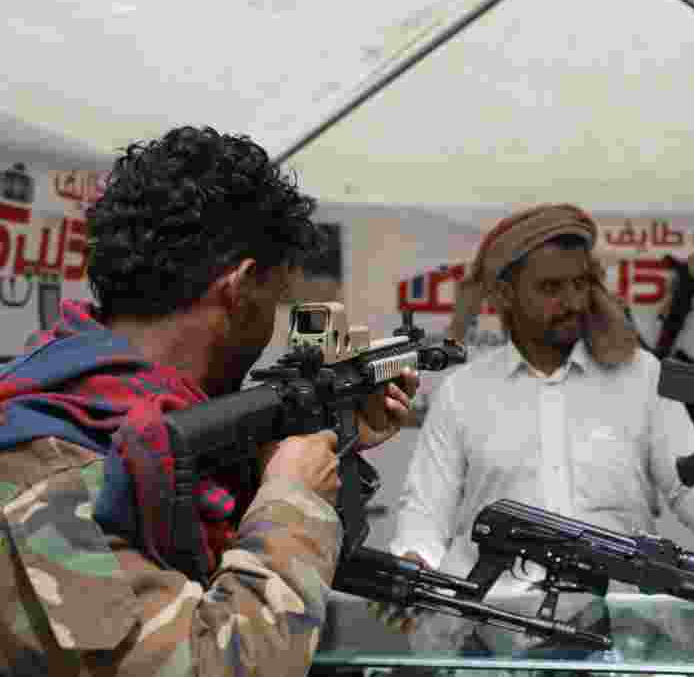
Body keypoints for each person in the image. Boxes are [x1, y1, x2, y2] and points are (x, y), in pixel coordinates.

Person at [0, 126, 419, 676]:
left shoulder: (129, 423)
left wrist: (335, 444)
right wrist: (293, 501)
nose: (273, 321)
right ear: (241, 286)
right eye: (275, 297)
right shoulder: (46, 470)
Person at [375, 204, 694, 656]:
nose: (573, 301)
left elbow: (690, 488)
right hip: (492, 641)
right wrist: (413, 563)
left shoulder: (641, 376)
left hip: (616, 640)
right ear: (505, 294)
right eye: (551, 287)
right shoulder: (464, 392)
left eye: (580, 283)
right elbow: (426, 511)